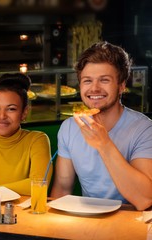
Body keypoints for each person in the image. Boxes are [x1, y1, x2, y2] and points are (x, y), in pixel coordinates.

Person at [50, 41, 152, 210]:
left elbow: (145, 199)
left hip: (134, 223)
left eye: (104, 80)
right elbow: (62, 190)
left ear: (121, 86)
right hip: (90, 222)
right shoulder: (69, 128)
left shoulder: (144, 129)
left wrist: (104, 144)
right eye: (87, 81)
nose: (94, 88)